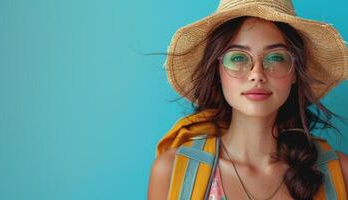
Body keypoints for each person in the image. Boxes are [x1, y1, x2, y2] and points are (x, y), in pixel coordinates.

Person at [148, 0, 348, 199]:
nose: (257, 74)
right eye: (238, 57)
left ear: (295, 72)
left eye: (276, 57)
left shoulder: (340, 171)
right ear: (218, 71)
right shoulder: (171, 171)